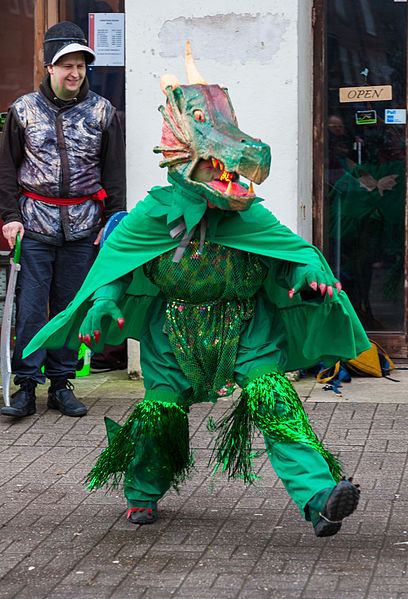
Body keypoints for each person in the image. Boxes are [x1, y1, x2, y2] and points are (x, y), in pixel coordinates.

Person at [24, 44, 368, 537]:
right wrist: (103, 303)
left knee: (274, 399)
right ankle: (142, 492)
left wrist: (304, 281)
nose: (228, 175)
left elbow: (291, 258)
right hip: (174, 333)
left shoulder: (250, 215)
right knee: (161, 414)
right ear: (186, 161)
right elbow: (115, 267)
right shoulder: (151, 215)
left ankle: (318, 497)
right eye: (215, 165)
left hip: (248, 328)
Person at [0, 22, 126, 418]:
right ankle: (25, 386)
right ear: (49, 67)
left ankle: (61, 384)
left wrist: (112, 223)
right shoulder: (22, 111)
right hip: (34, 225)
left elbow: (115, 174)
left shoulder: (103, 112)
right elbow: (6, 170)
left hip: (84, 226)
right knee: (33, 308)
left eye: (81, 66)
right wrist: (9, 217)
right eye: (66, 65)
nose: (75, 73)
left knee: (71, 308)